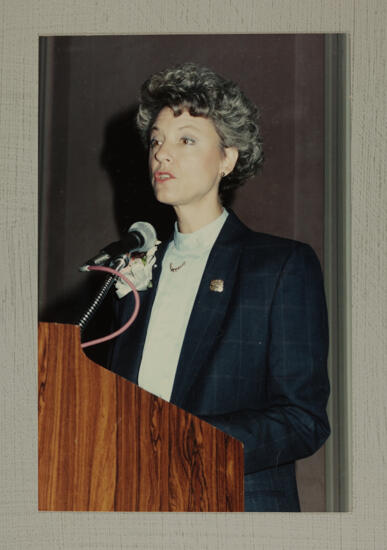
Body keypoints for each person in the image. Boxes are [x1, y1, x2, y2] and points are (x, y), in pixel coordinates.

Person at [107, 62, 330, 512]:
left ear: (228, 158)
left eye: (185, 139)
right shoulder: (129, 266)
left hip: (231, 504)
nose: (161, 155)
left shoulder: (281, 266)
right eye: (156, 141)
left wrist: (185, 444)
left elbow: (303, 419)